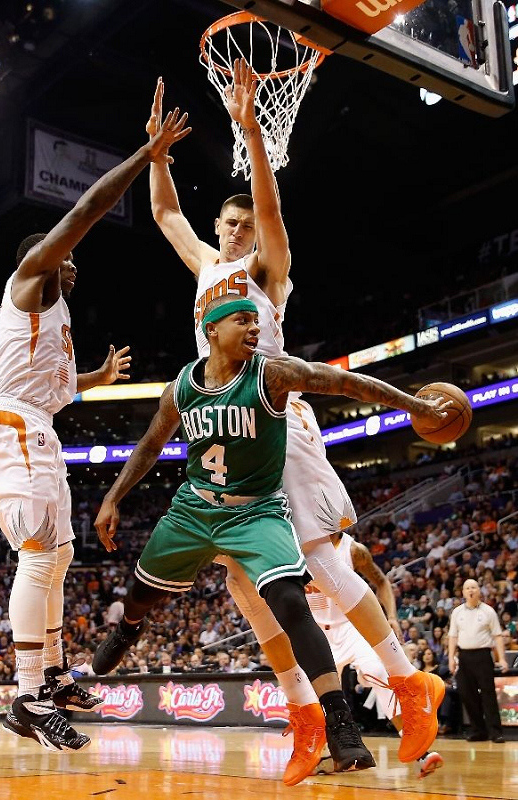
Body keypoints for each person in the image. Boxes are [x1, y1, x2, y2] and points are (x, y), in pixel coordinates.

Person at [144, 59, 446, 780]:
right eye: (230, 223)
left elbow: (271, 212)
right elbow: (164, 214)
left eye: (246, 225)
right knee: (243, 585)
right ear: (217, 228)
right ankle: (305, 716)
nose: (238, 231)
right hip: (228, 427)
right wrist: (155, 156)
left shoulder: (264, 269)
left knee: (318, 560)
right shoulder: (205, 269)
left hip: (278, 417)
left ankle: (407, 683)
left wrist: (251, 129)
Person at [92, 294, 450, 785]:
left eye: (256, 321)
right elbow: (152, 443)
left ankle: (343, 719)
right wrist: (113, 497)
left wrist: (414, 404)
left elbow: (348, 383)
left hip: (256, 509)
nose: (254, 328)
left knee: (292, 596)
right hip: (196, 506)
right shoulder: (182, 386)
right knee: (143, 594)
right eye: (242, 320)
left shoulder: (272, 374)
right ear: (211, 329)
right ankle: (128, 629)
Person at [0, 107, 191, 752]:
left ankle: (53, 674)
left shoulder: (56, 320)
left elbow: (59, 391)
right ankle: (26, 695)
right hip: (12, 425)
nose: (73, 264)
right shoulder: (29, 281)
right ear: (43, 260)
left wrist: (98, 376)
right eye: (63, 256)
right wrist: (145, 155)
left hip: (37, 426)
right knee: (39, 555)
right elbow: (87, 210)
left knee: (60, 555)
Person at [306, 533, 443, 780]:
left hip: (352, 625)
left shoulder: (354, 550)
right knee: (316, 699)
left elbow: (381, 581)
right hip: (317, 632)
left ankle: (418, 750)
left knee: (378, 672)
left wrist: (391, 616)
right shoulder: (297, 547)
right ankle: (324, 754)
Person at [447, 579, 507, 742]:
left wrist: (502, 658)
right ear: (463, 592)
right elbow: (452, 636)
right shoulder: (457, 612)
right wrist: (451, 658)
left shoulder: (488, 611)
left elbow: (497, 636)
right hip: (464, 656)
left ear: (479, 591)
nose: (471, 590)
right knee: (468, 694)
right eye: (467, 588)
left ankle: (496, 732)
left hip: (483, 655)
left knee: (488, 694)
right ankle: (479, 731)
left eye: (473, 587)